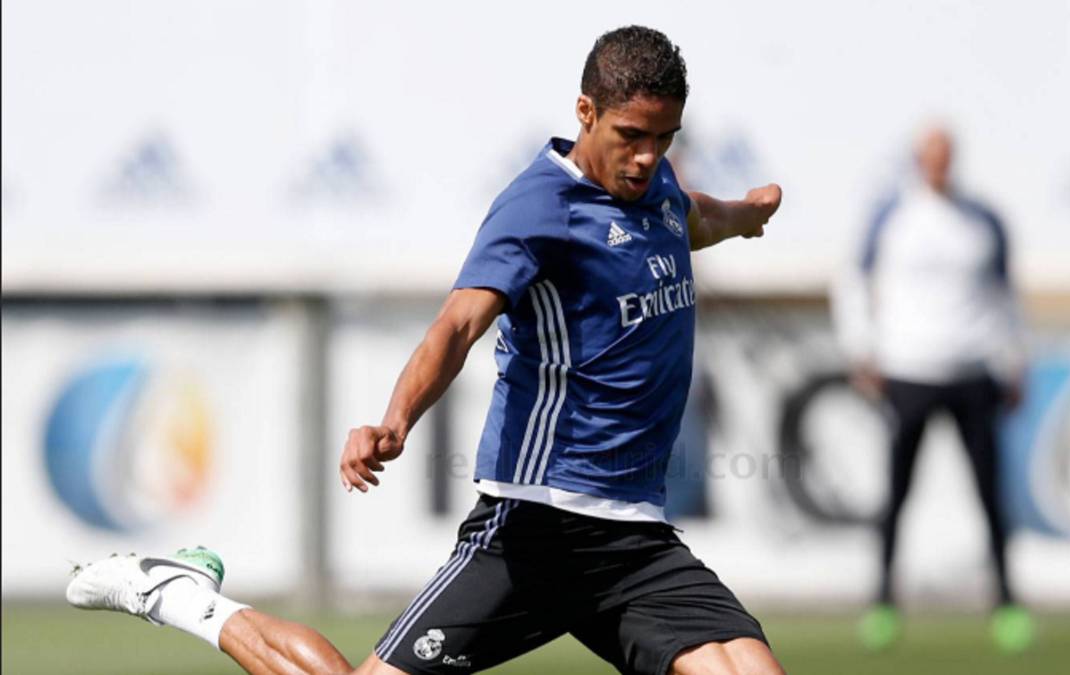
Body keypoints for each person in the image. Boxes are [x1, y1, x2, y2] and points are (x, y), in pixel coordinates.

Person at [66, 26, 785, 675]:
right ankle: (184, 596)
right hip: (538, 524)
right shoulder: (539, 208)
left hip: (637, 540)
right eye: (632, 134)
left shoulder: (654, 182)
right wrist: (396, 420)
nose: (648, 154)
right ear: (585, 112)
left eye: (664, 136)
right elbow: (457, 325)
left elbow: (687, 217)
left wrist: (746, 216)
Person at [831, 125, 1033, 653]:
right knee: (898, 495)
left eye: (946, 156)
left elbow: (1006, 295)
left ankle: (1007, 603)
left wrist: (1014, 361)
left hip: (972, 373)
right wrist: (862, 351)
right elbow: (853, 281)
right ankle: (882, 602)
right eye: (930, 156)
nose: (939, 165)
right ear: (919, 160)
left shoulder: (982, 220)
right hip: (910, 371)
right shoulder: (892, 216)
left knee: (990, 496)